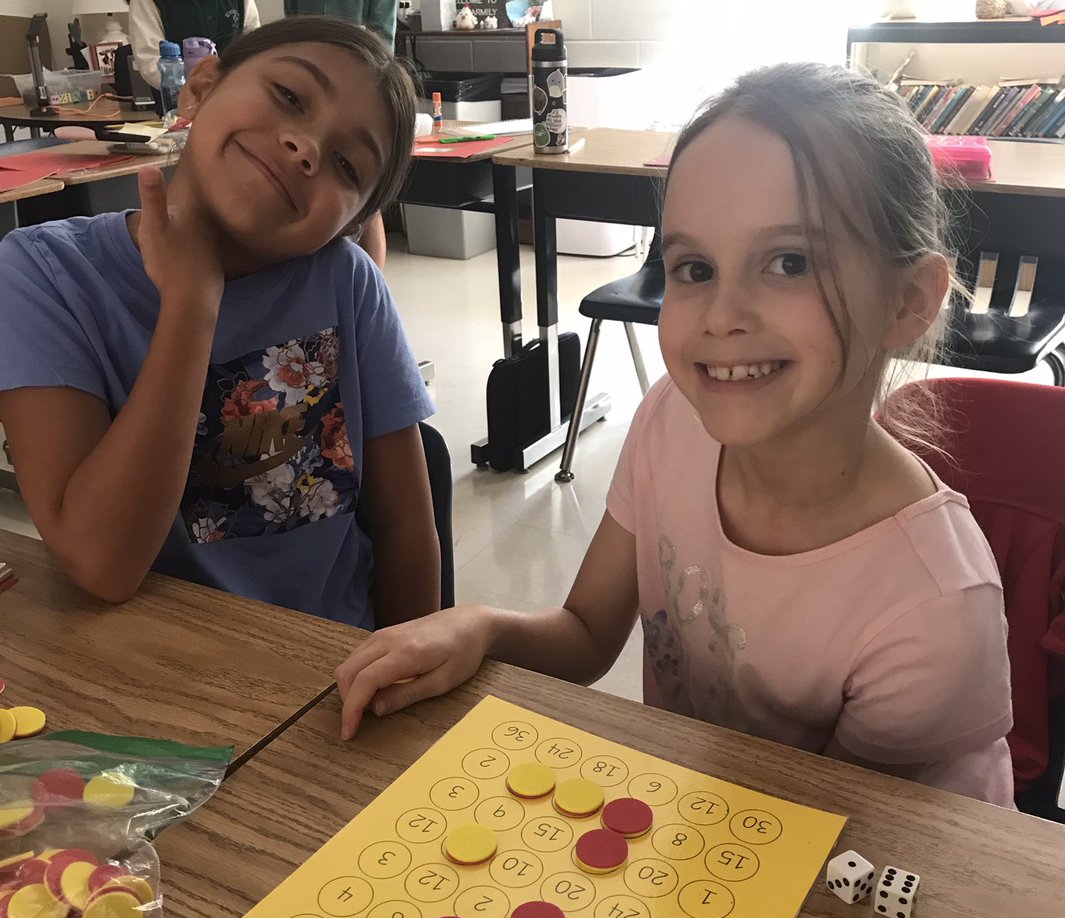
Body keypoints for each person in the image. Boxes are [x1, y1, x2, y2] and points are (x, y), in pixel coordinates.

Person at [334, 62, 1016, 807]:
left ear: (907, 301)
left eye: (788, 263)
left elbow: (835, 855)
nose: (722, 314)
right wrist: (484, 629)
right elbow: (588, 631)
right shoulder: (672, 421)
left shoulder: (932, 606)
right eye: (693, 267)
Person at [0, 18, 440, 631]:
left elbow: (405, 529)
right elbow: (102, 563)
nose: (306, 146)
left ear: (351, 223)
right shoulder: (44, 275)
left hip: (334, 669)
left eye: (346, 163)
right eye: (289, 96)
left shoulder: (346, 283)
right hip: (154, 678)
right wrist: (191, 302)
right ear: (201, 86)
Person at [281, 0, 399, 266]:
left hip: (359, 83)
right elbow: (291, 28)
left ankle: (374, 292)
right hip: (307, 87)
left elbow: (382, 44)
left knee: (367, 205)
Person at [128, 0, 262, 90]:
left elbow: (254, 47)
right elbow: (150, 60)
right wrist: (194, 91)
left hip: (236, 95)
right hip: (179, 107)